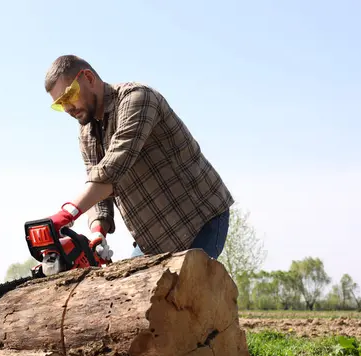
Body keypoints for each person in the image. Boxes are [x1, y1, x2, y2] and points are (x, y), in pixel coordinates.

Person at [38, 55, 234, 262]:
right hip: (153, 236)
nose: (67, 108)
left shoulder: (137, 98)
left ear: (88, 77)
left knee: (185, 291)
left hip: (198, 219)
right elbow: (98, 189)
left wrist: (67, 214)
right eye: (60, 104)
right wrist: (97, 231)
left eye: (69, 95)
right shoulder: (87, 133)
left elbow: (112, 169)